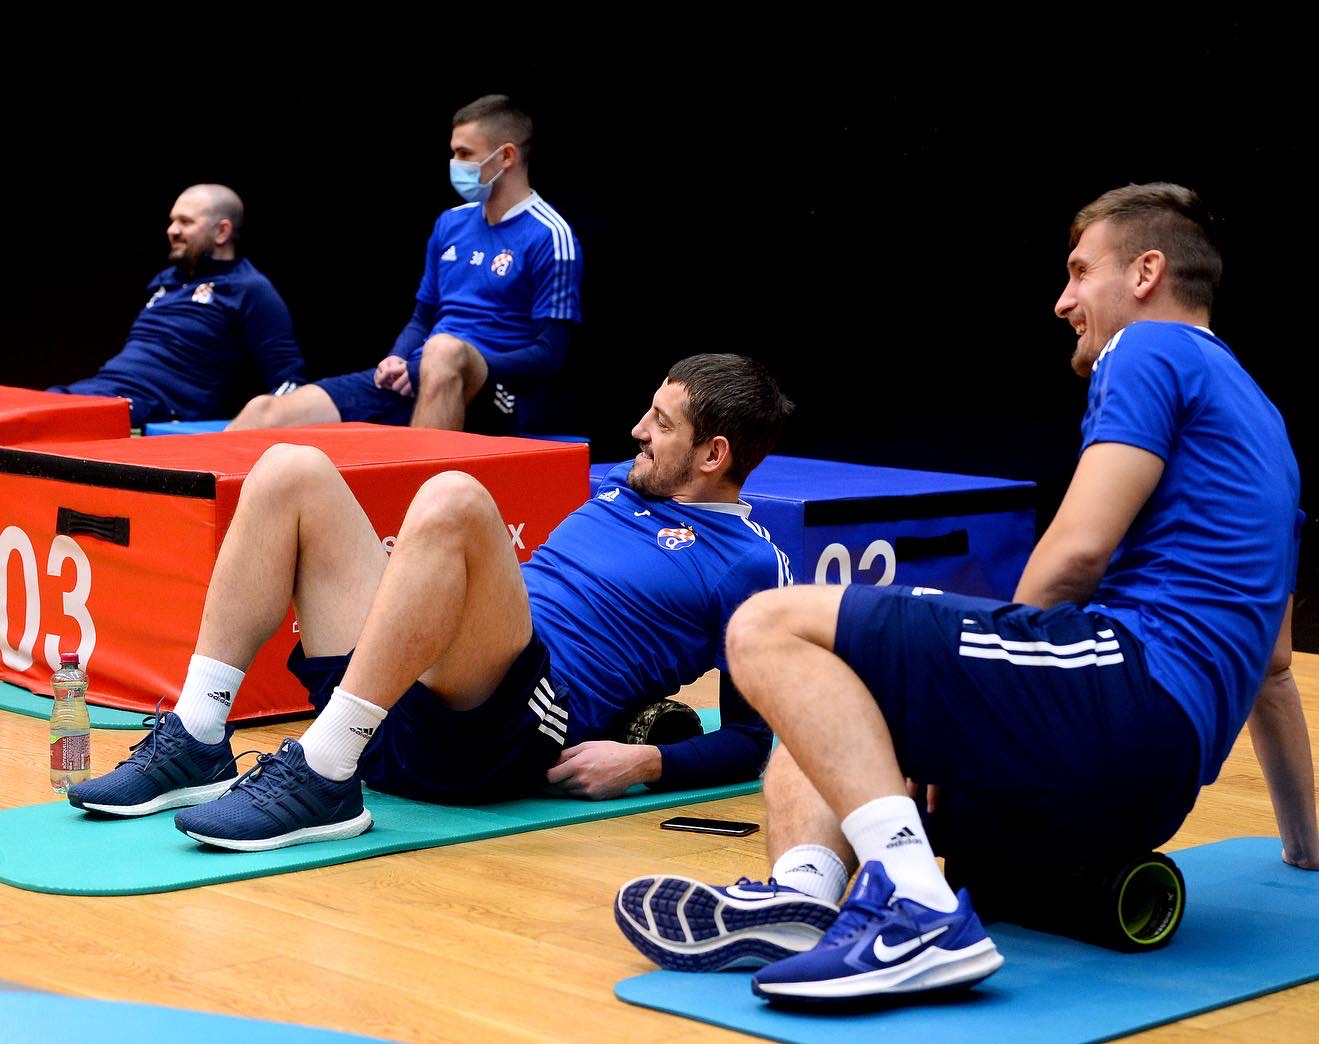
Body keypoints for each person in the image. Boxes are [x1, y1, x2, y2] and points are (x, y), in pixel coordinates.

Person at [613, 184, 1319, 1004]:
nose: (1063, 300)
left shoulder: (1150, 348)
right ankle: (805, 900)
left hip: (1120, 699)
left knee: (770, 627)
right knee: (828, 695)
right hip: (1149, 790)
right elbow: (1273, 666)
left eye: (1080, 271)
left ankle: (917, 912)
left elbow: (1078, 549)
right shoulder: (1268, 430)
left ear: (1146, 273)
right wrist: (1304, 843)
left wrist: (977, 694)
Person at [67, 353, 793, 852]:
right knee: (290, 467)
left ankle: (323, 776)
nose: (638, 430)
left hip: (507, 730)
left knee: (454, 499)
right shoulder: (621, 490)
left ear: (713, 455)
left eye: (662, 423)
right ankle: (198, 734)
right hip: (398, 708)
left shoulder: (748, 562)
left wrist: (646, 764)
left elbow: (751, 738)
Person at [228, 94, 582, 435]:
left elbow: (549, 354)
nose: (455, 163)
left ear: (505, 156)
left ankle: (426, 476)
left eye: (464, 153)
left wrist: (435, 364)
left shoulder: (550, 234)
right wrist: (397, 358)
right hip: (419, 374)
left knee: (443, 349)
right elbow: (422, 317)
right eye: (453, 152)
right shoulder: (450, 223)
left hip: (497, 393)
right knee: (263, 412)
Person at [47, 184, 306, 427]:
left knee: (51, 420)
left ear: (222, 231)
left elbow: (289, 383)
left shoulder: (249, 288)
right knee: (32, 406)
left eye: (186, 222)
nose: (172, 230)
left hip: (151, 410)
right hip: (99, 390)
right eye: (172, 221)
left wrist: (247, 428)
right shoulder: (165, 281)